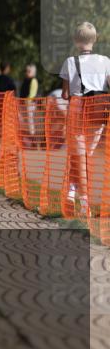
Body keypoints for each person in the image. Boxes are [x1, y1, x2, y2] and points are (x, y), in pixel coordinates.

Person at [58, 22, 110, 217]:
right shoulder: (106, 61)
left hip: (77, 108)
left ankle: (76, 195)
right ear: (94, 39)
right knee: (85, 155)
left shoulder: (70, 62)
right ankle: (80, 200)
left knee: (77, 155)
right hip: (98, 109)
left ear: (76, 41)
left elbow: (64, 94)